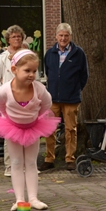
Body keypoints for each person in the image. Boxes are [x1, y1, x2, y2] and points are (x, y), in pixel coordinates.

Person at [0, 50, 59, 211]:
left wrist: (36, 118)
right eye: (27, 71)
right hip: (13, 128)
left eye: (34, 71)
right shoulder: (4, 90)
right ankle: (19, 199)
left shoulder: (39, 89)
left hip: (33, 127)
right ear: (14, 70)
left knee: (31, 163)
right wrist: (8, 119)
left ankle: (33, 198)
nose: (32, 74)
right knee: (16, 162)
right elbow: (0, 105)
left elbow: (46, 104)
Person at [40, 23, 89, 172]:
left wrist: (75, 88)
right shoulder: (49, 53)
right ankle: (49, 158)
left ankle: (70, 158)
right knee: (49, 129)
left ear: (70, 37)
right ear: (56, 36)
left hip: (71, 98)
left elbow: (84, 76)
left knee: (70, 129)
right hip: (53, 98)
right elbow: (48, 72)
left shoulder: (78, 53)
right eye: (60, 35)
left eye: (66, 36)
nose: (63, 38)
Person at [0, 25, 31, 176]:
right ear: (8, 39)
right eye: (14, 37)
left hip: (27, 99)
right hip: (10, 101)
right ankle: (10, 166)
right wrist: (1, 91)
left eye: (19, 37)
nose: (17, 39)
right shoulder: (2, 58)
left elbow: (36, 76)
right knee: (11, 134)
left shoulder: (28, 55)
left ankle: (28, 166)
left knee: (27, 132)